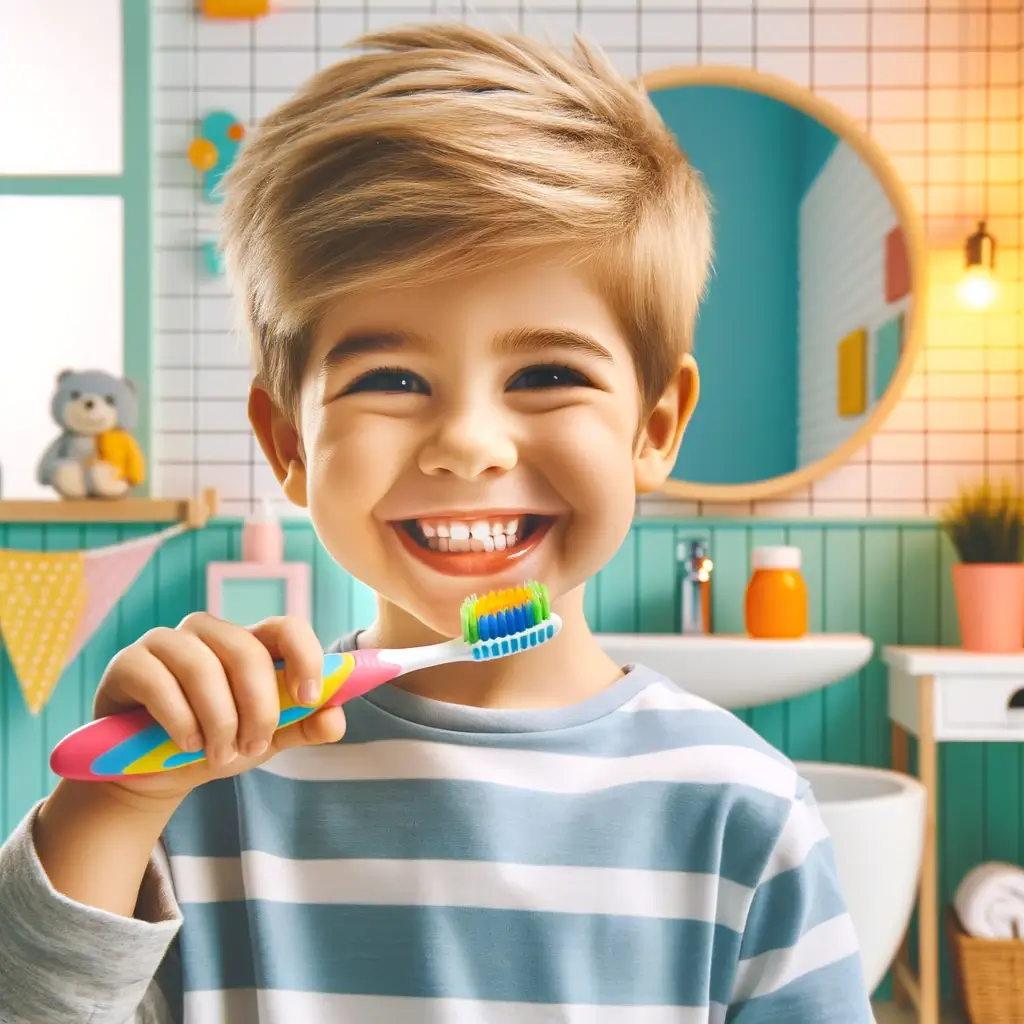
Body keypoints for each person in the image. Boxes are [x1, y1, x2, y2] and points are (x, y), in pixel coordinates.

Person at [0, 23, 873, 1024]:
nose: (467, 442)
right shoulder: (199, 793)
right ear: (287, 440)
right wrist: (108, 813)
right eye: (391, 379)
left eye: (546, 374)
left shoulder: (740, 811)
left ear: (657, 424)